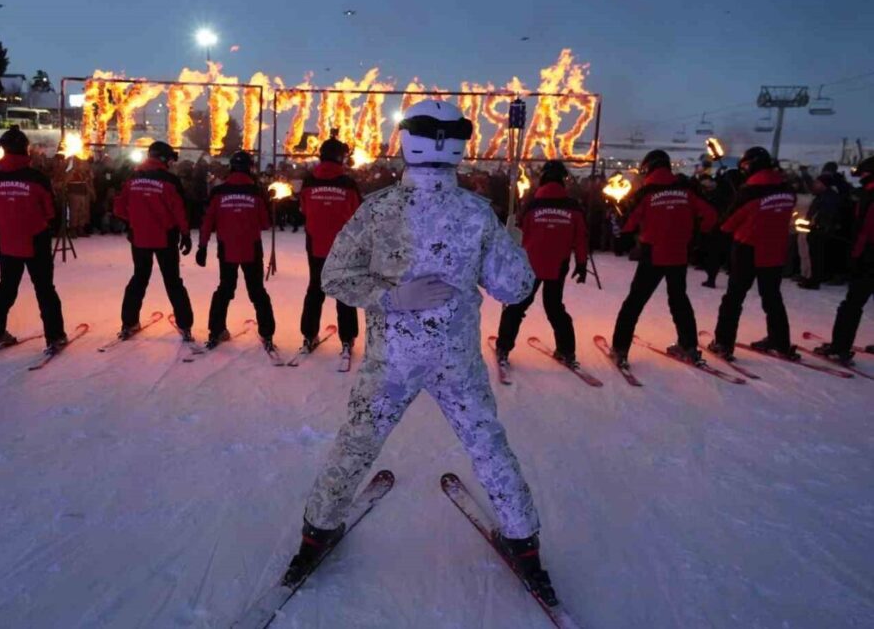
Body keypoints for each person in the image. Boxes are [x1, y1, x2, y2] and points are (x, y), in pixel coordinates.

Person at [282, 101, 557, 605]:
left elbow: (334, 276)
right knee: (486, 445)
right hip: (456, 361)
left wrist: (389, 297)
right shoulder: (476, 212)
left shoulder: (380, 208)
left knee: (357, 442)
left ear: (406, 142)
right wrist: (514, 245)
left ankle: (316, 531)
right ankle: (523, 540)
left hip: (393, 361)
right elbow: (515, 288)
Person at [609, 150, 718, 366]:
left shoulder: (646, 192)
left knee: (634, 303)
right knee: (679, 300)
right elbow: (711, 215)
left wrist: (618, 221)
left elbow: (626, 225)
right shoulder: (686, 189)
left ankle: (620, 349)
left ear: (648, 167)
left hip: (653, 253)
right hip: (679, 253)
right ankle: (688, 346)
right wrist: (697, 235)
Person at [708, 147, 798, 361]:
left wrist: (736, 196)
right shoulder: (787, 189)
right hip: (775, 250)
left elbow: (728, 225)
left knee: (734, 298)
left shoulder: (749, 192)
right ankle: (780, 342)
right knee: (773, 298)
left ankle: (723, 343)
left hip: (748, 248)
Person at [495, 160, 587, 366]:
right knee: (554, 307)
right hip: (558, 264)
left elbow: (519, 231)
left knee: (517, 305)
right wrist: (581, 264)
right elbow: (580, 238)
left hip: (531, 264)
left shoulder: (532, 205)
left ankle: (503, 347)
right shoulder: (573, 207)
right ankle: (567, 351)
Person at [0, 126, 67, 351]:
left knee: (5, 289)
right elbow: (51, 211)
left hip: (8, 241)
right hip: (35, 240)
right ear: (26, 150)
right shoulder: (37, 178)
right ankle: (55, 335)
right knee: (44, 289)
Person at [113, 141, 195, 341]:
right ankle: (185, 325)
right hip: (165, 238)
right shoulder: (170, 181)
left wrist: (134, 222)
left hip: (139, 237)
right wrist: (185, 234)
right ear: (165, 159)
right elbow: (180, 211)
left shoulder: (133, 178)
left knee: (139, 278)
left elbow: (118, 207)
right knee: (173, 281)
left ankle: (129, 322)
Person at [196, 150, 276, 351]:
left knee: (224, 288)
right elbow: (265, 224)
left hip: (227, 248)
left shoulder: (218, 192)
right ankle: (266, 332)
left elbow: (207, 222)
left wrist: (202, 246)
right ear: (250, 168)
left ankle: (216, 329)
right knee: (257, 291)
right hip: (251, 248)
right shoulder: (256, 192)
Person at [298, 137, 362, 357]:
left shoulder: (309, 181)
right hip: (343, 246)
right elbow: (358, 213)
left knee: (315, 288)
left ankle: (308, 334)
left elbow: (304, 209)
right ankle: (347, 338)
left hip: (315, 244)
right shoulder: (348, 184)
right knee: (344, 290)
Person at [814, 155, 874, 364]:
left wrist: (855, 257)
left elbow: (866, 229)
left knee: (852, 305)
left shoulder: (869, 195)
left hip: (868, 256)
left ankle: (840, 347)